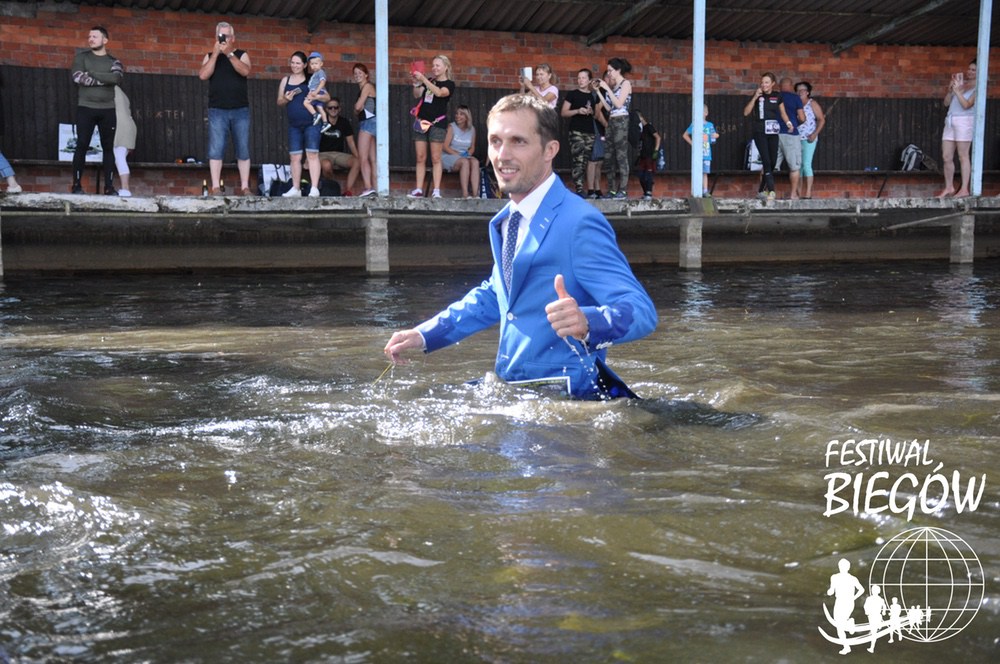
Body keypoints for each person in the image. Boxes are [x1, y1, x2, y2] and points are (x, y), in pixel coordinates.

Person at [384, 93, 657, 400]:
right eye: (496, 141)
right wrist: (425, 334)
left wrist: (587, 323)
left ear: (549, 150)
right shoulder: (506, 219)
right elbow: (496, 295)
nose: (503, 155)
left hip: (570, 406)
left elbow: (642, 311)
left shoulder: (579, 222)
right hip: (513, 390)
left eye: (518, 142)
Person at [198, 21, 252, 196]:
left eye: (227, 36)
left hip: (240, 109)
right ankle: (215, 187)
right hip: (217, 110)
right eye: (221, 36)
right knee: (216, 148)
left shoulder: (242, 54)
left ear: (233, 38)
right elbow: (203, 75)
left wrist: (229, 53)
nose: (224, 39)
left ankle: (245, 187)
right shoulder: (209, 55)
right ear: (216, 37)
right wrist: (215, 54)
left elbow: (245, 71)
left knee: (242, 148)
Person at [71, 25, 123, 195]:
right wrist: (105, 80)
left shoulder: (114, 61)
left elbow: (116, 78)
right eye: (89, 37)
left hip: (108, 109)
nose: (90, 39)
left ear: (105, 40)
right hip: (86, 107)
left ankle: (109, 187)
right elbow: (78, 78)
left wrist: (92, 73)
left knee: (108, 147)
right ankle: (76, 185)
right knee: (81, 145)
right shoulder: (81, 57)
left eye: (94, 36)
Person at [409, 54, 455, 199]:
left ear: (446, 67)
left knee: (436, 158)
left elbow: (440, 93)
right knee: (420, 157)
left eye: (437, 65)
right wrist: (416, 83)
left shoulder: (449, 84)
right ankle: (418, 189)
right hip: (421, 121)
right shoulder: (429, 80)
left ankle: (436, 190)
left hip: (437, 123)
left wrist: (423, 79)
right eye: (433, 65)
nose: (434, 68)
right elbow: (417, 95)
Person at [276, 51, 321, 197]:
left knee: (312, 154)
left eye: (298, 63)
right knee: (294, 157)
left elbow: (326, 96)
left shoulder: (312, 79)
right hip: (294, 124)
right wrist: (286, 99)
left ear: (305, 65)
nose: (294, 65)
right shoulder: (285, 80)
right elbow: (279, 101)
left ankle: (314, 188)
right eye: (292, 62)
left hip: (312, 122)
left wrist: (315, 96)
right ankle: (296, 188)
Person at [743, 72, 793, 201]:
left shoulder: (778, 96)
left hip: (773, 132)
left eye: (766, 82)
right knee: (766, 160)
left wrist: (788, 123)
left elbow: (783, 113)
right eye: (762, 82)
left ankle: (761, 190)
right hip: (760, 132)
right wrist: (755, 97)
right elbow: (746, 112)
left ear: (772, 84)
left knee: (772, 162)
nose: (763, 85)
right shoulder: (758, 96)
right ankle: (771, 190)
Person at [595, 57, 633, 199]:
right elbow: (609, 108)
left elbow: (619, 104)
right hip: (611, 121)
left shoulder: (625, 84)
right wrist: (599, 92)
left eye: (611, 70)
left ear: (618, 70)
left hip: (621, 121)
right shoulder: (613, 87)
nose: (609, 73)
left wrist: (606, 88)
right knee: (608, 156)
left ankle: (622, 190)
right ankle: (611, 190)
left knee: (621, 156)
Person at [939, 59, 977, 198]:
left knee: (963, 155)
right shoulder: (962, 85)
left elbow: (967, 105)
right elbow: (946, 103)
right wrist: (951, 91)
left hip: (965, 121)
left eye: (973, 70)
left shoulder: (978, 88)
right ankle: (949, 187)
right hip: (951, 119)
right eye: (969, 69)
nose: (970, 72)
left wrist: (958, 92)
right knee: (946, 156)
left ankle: (964, 189)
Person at [560, 68, 600, 196]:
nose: (580, 80)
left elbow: (597, 115)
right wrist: (578, 111)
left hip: (590, 132)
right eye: (579, 78)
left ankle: (583, 188)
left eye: (583, 78)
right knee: (578, 159)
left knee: (585, 160)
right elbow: (564, 112)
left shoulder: (593, 96)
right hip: (576, 131)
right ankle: (579, 188)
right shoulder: (573, 94)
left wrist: (591, 111)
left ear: (589, 80)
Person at [318, 97, 360, 196]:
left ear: (339, 109)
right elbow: (312, 140)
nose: (333, 109)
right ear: (326, 109)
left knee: (357, 162)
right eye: (330, 107)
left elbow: (350, 142)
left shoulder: (344, 122)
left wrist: (358, 156)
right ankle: (332, 187)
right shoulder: (320, 121)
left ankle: (347, 191)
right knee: (326, 165)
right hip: (322, 154)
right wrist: (308, 158)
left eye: (335, 107)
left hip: (338, 154)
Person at [774, 77, 805, 199]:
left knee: (768, 166)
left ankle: (765, 192)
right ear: (791, 86)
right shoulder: (795, 98)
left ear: (779, 86)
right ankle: (793, 194)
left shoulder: (774, 97)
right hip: (791, 134)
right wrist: (795, 124)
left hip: (773, 134)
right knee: (795, 167)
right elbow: (802, 118)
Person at [827, 558, 865, 655]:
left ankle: (849, 624)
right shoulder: (834, 577)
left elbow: (861, 589)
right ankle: (846, 644)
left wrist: (853, 598)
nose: (842, 567)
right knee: (839, 626)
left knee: (839, 625)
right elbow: (831, 590)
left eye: (844, 566)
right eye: (841, 566)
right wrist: (829, 592)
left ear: (848, 567)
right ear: (839, 566)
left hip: (847, 601)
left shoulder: (852, 578)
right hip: (839, 601)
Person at [440, 105, 480, 198]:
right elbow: (445, 146)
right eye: (457, 113)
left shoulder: (472, 129)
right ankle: (465, 194)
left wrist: (469, 154)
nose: (458, 116)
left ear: (467, 117)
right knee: (465, 162)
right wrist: (458, 155)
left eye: (461, 114)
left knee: (475, 162)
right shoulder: (451, 127)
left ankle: (475, 195)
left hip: (464, 155)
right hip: (449, 155)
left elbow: (472, 147)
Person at [795, 81, 826, 199]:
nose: (800, 92)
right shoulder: (795, 103)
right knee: (798, 166)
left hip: (808, 138)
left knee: (806, 164)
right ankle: (798, 193)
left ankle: (808, 193)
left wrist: (814, 134)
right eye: (798, 90)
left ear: (808, 92)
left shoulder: (812, 103)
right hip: (795, 138)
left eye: (802, 90)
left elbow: (821, 119)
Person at [683, 103, 719, 195]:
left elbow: (715, 135)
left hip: (707, 152)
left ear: (706, 113)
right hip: (697, 153)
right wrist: (693, 144)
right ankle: (697, 191)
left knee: (705, 172)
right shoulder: (694, 124)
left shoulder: (710, 125)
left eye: (701, 112)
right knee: (697, 171)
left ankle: (705, 191)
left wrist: (715, 135)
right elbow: (685, 135)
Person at [352, 63, 377, 197]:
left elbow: (357, 107)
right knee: (372, 158)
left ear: (366, 75)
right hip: (372, 121)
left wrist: (357, 108)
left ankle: (368, 187)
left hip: (367, 122)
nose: (357, 75)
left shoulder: (367, 86)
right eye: (355, 73)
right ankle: (376, 188)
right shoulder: (364, 88)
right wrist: (358, 108)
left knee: (363, 157)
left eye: (360, 73)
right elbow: (357, 109)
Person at [112, 87, 137, 197]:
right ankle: (124, 188)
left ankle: (125, 188)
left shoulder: (110, 90)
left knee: (119, 157)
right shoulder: (121, 92)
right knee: (120, 156)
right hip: (127, 125)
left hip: (120, 126)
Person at [635, 111, 660, 199]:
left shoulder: (649, 127)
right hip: (642, 156)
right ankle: (645, 192)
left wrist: (656, 151)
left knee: (648, 174)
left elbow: (658, 137)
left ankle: (649, 193)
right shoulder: (640, 130)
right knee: (640, 174)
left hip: (650, 155)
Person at [304, 52, 331, 132]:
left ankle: (315, 114)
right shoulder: (315, 73)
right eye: (312, 64)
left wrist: (316, 92)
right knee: (320, 108)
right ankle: (325, 123)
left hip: (317, 92)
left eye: (316, 63)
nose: (314, 65)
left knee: (306, 103)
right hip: (317, 92)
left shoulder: (320, 72)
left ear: (321, 64)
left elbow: (322, 82)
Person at [863, 585, 888, 653]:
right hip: (871, 615)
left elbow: (884, 606)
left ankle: (872, 647)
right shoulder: (869, 598)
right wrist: (866, 611)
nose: (874, 591)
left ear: (878, 591)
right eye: (873, 590)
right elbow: (865, 606)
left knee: (874, 631)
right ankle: (875, 630)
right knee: (873, 630)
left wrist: (884, 611)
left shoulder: (880, 599)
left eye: (876, 590)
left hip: (877, 615)